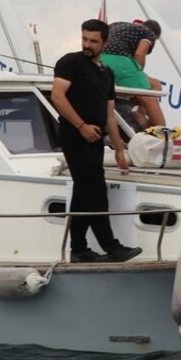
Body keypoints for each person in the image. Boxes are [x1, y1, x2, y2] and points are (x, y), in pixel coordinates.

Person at [49, 19, 143, 263]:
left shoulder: (106, 73)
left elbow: (109, 114)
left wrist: (120, 150)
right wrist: (81, 126)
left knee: (83, 191)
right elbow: (57, 96)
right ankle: (112, 248)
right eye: (84, 39)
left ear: (105, 42)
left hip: (95, 137)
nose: (87, 45)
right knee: (95, 190)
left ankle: (78, 248)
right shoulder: (71, 62)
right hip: (74, 134)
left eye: (93, 41)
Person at [101, 19, 167, 131]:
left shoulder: (118, 25)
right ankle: (163, 134)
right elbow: (139, 53)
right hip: (118, 61)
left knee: (152, 83)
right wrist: (139, 74)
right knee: (150, 94)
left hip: (99, 59)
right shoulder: (148, 33)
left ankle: (138, 114)